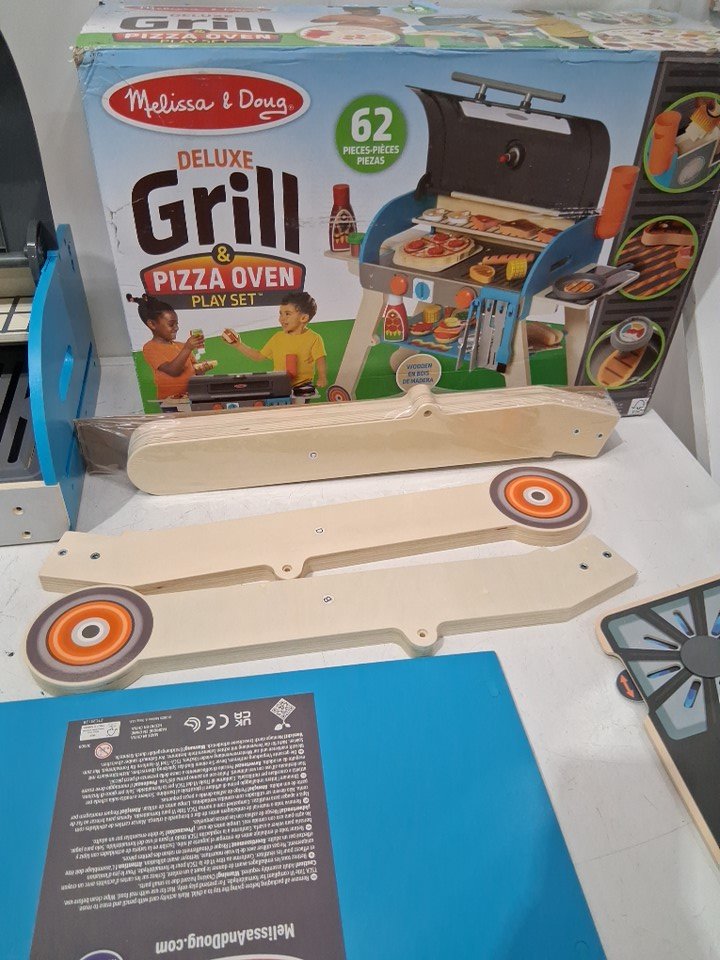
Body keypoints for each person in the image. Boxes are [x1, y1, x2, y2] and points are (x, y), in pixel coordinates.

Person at [223, 292, 327, 391]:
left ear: (303, 318)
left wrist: (322, 377)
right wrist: (238, 345)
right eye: (281, 314)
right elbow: (258, 356)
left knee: (299, 400)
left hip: (303, 386)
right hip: (279, 383)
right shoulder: (278, 337)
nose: (281, 319)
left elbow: (320, 359)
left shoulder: (314, 338)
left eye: (287, 314)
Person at [127, 294, 213, 403]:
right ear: (152, 324)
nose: (176, 328)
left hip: (190, 397)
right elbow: (173, 371)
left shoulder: (181, 346)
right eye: (171, 324)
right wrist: (187, 348)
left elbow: (194, 372)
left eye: (177, 324)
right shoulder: (150, 348)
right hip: (169, 402)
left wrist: (201, 370)